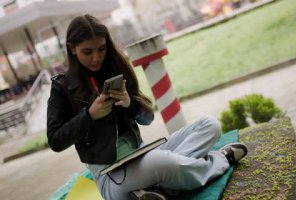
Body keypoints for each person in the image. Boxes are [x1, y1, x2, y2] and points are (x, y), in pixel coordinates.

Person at [47, 14, 248, 200]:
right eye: (87, 52)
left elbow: (147, 118)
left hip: (143, 153)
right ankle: (221, 159)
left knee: (209, 125)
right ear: (72, 48)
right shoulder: (61, 87)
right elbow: (55, 140)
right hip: (111, 175)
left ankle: (157, 190)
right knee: (164, 162)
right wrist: (89, 115)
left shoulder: (115, 69)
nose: (96, 58)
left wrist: (128, 103)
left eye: (101, 48)